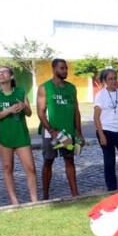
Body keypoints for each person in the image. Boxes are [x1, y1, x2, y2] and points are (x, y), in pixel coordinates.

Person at [0, 66, 38, 204]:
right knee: (8, 167)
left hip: (21, 135)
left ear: (11, 76)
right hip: (4, 136)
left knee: (30, 168)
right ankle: (14, 201)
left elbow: (29, 113)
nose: (1, 74)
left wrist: (24, 106)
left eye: (4, 72)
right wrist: (9, 110)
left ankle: (34, 200)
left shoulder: (21, 92)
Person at [36, 58, 84, 200]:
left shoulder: (71, 88)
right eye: (62, 68)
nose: (65, 71)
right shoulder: (45, 88)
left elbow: (76, 111)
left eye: (66, 68)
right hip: (51, 132)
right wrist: (51, 131)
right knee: (48, 161)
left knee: (69, 160)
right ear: (54, 69)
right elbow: (41, 112)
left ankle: (75, 193)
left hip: (67, 132)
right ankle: (45, 195)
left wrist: (79, 132)